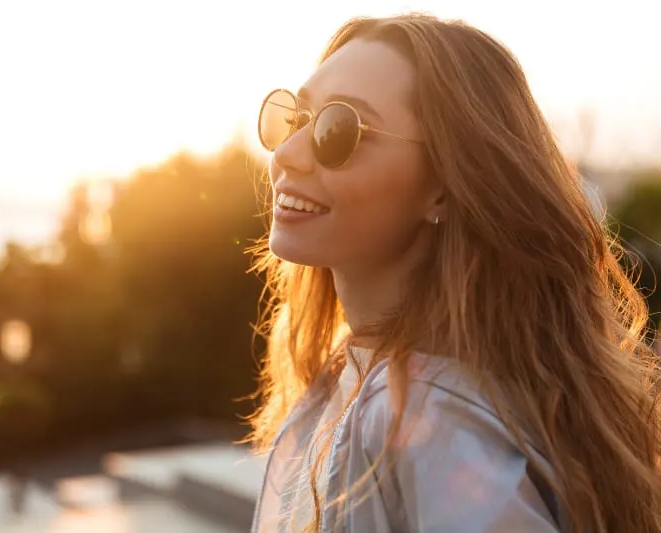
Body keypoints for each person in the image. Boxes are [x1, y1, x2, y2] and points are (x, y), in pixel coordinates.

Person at [247, 13, 661, 533]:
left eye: (337, 130)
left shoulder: (425, 413)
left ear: (443, 184)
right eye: (295, 118)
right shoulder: (379, 381)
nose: (286, 154)